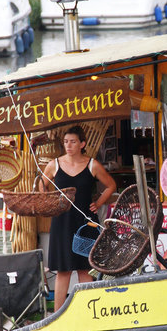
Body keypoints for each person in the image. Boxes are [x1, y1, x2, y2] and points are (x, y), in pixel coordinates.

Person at [42, 125, 116, 311]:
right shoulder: (54, 165)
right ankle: (57, 315)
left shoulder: (92, 164)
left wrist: (98, 203)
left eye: (73, 142)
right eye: (66, 141)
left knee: (85, 268)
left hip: (86, 221)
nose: (68, 145)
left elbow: (111, 185)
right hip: (61, 222)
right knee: (63, 270)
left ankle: (89, 312)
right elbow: (41, 187)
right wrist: (50, 202)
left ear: (82, 144)